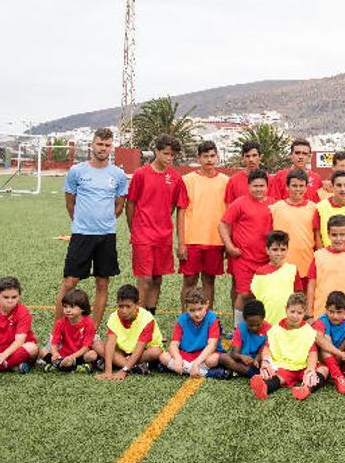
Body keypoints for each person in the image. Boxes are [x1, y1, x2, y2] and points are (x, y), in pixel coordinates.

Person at [55, 127, 127, 328]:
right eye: (99, 144)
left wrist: (104, 220)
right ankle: (56, 334)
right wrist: (81, 222)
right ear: (92, 145)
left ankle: (92, 331)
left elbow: (119, 205)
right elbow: (70, 203)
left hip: (106, 236)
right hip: (82, 234)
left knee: (102, 283)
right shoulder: (77, 171)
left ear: (111, 147)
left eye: (107, 145)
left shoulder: (118, 175)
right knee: (70, 282)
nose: (103, 148)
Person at [126, 134, 188, 314]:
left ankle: (149, 322)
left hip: (163, 237)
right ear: (156, 151)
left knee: (157, 279)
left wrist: (179, 241)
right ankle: (138, 323)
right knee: (144, 279)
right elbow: (131, 204)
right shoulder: (141, 174)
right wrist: (134, 230)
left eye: (172, 155)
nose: (169, 158)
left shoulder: (176, 178)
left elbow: (178, 208)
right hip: (143, 236)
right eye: (166, 154)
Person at [219, 168, 276, 328]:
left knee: (264, 295)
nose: (258, 189)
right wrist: (229, 246)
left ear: (267, 186)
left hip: (266, 259)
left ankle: (264, 329)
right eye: (255, 186)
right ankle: (238, 329)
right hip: (243, 258)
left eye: (262, 186)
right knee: (244, 294)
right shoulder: (240, 203)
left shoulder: (274, 205)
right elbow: (223, 225)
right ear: (248, 186)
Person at [177, 141, 228, 311]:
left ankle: (207, 319)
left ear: (217, 158)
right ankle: (185, 319)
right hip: (192, 240)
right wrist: (181, 243)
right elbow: (181, 212)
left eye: (212, 156)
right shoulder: (188, 180)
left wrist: (228, 243)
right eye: (205, 156)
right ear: (198, 158)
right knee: (189, 280)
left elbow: (229, 214)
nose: (209, 159)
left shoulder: (225, 181)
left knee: (209, 281)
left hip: (215, 241)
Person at [250, 293, 330, 401]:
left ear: (304, 313)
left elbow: (313, 352)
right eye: (292, 311)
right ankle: (265, 388)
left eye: (299, 313)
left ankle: (306, 389)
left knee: (324, 369)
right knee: (277, 376)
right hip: (284, 366)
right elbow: (267, 348)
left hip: (303, 366)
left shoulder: (308, 331)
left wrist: (311, 369)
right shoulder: (276, 329)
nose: (295, 316)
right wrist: (266, 361)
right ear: (286, 309)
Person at [306, 215, 345, 324]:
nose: (338, 239)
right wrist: (309, 314)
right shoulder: (318, 256)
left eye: (342, 235)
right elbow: (311, 286)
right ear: (328, 235)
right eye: (334, 235)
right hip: (321, 315)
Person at [94, 285, 163, 380]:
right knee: (97, 344)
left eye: (128, 306)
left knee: (156, 351)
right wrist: (108, 371)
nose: (124, 311)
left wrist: (124, 370)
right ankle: (136, 367)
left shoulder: (147, 319)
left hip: (142, 353)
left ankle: (120, 364)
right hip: (122, 352)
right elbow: (110, 344)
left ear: (138, 304)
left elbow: (140, 348)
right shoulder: (114, 317)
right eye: (121, 306)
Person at [158, 288, 229, 379]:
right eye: (192, 310)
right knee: (163, 357)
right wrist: (178, 358)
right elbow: (173, 344)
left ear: (207, 304)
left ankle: (186, 369)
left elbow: (212, 345)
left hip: (204, 355)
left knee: (214, 359)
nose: (197, 314)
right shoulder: (182, 319)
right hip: (185, 354)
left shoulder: (212, 318)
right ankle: (205, 372)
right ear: (186, 308)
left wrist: (196, 363)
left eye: (200, 309)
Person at [268, 169, 318, 289]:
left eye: (301, 186)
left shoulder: (314, 208)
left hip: (306, 262)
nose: (298, 189)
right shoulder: (275, 208)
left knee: (304, 298)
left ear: (306, 187)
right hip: (282, 263)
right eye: (294, 185)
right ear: (287, 187)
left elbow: (317, 235)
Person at [312, 291, 345, 394]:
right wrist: (341, 354)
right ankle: (339, 378)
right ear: (326, 309)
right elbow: (319, 341)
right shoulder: (321, 321)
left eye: (339, 312)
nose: (335, 316)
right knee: (325, 341)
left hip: (339, 358)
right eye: (331, 312)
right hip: (322, 361)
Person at [250, 230, 303, 325]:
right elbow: (256, 298)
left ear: (287, 249)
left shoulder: (292, 270)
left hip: (288, 323)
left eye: (283, 249)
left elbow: (298, 296)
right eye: (275, 250)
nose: (279, 253)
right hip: (267, 322)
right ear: (267, 250)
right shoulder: (260, 273)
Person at [42, 289, 97, 373]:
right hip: (63, 354)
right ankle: (73, 366)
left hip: (79, 355)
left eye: (72, 307)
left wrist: (72, 357)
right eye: (65, 306)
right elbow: (54, 342)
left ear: (82, 308)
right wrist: (54, 353)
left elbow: (86, 347)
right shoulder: (60, 323)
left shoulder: (89, 323)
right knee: (42, 351)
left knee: (92, 355)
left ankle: (57, 366)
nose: (68, 310)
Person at [220, 299, 271, 377]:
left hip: (259, 360)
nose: (254, 328)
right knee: (223, 357)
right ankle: (253, 373)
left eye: (258, 325)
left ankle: (241, 371)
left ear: (263, 318)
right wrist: (241, 357)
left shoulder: (269, 329)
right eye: (251, 325)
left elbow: (263, 352)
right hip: (242, 359)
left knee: (269, 363)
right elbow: (234, 353)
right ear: (245, 320)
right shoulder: (241, 327)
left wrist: (256, 361)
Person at [269, 138, 322, 203]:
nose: (300, 157)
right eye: (297, 153)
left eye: (304, 154)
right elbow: (274, 201)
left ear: (309, 157)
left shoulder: (316, 179)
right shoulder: (280, 176)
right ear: (291, 155)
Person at [225, 140, 265, 204]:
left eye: (254, 155)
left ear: (260, 157)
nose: (251, 159)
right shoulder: (233, 181)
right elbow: (229, 207)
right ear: (243, 158)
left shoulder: (270, 180)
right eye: (247, 156)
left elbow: (275, 206)